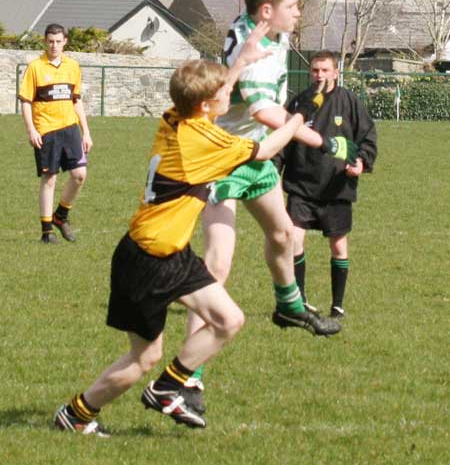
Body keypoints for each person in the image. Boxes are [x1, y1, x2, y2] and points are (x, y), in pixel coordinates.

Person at [53, 24, 308, 435]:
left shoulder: (176, 117)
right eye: (225, 95)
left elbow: (218, 89)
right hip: (147, 262)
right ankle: (78, 414)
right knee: (143, 358)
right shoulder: (206, 143)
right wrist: (296, 118)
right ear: (207, 105)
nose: (232, 95)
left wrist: (240, 59)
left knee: (229, 319)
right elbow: (267, 149)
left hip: (171, 253)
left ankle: (168, 387)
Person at [185, 0, 371, 405]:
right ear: (268, 12)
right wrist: (313, 135)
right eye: (292, 6)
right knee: (217, 266)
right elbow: (266, 114)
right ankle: (187, 377)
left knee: (286, 235)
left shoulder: (265, 27)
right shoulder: (257, 54)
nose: (299, 10)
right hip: (225, 157)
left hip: (255, 159)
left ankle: (288, 306)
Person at [276, 51, 377, 319]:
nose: (319, 75)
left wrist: (361, 163)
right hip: (301, 187)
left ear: (335, 73)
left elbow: (367, 137)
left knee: (338, 246)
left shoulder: (349, 101)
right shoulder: (299, 102)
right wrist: (274, 170)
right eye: (315, 71)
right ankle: (299, 302)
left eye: (324, 70)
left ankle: (338, 305)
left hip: (336, 187)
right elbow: (282, 141)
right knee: (294, 240)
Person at [19, 23, 92, 244]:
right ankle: (46, 232)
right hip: (46, 130)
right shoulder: (35, 67)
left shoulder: (73, 66)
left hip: (70, 129)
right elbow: (26, 101)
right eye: (50, 41)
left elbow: (76, 100)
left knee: (80, 175)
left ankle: (61, 216)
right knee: (49, 178)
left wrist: (86, 132)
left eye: (58, 41)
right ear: (45, 42)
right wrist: (31, 129)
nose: (54, 45)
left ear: (65, 42)